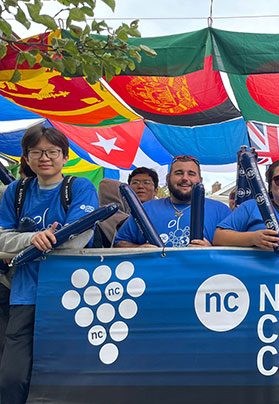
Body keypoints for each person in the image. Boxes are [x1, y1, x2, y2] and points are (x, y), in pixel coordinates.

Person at [0, 125, 98, 404]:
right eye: (36, 152)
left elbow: (79, 234)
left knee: (66, 375)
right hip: (24, 295)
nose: (45, 157)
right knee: (12, 377)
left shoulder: (79, 187)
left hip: (71, 295)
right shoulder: (15, 192)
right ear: (27, 158)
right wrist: (35, 238)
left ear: (65, 156)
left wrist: (36, 242)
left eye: (53, 151)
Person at [115, 155, 230, 248]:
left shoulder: (221, 211)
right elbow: (119, 243)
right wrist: (139, 249)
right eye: (179, 173)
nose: (185, 178)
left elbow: (239, 252)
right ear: (167, 178)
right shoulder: (147, 209)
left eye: (191, 173)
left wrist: (212, 251)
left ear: (200, 180)